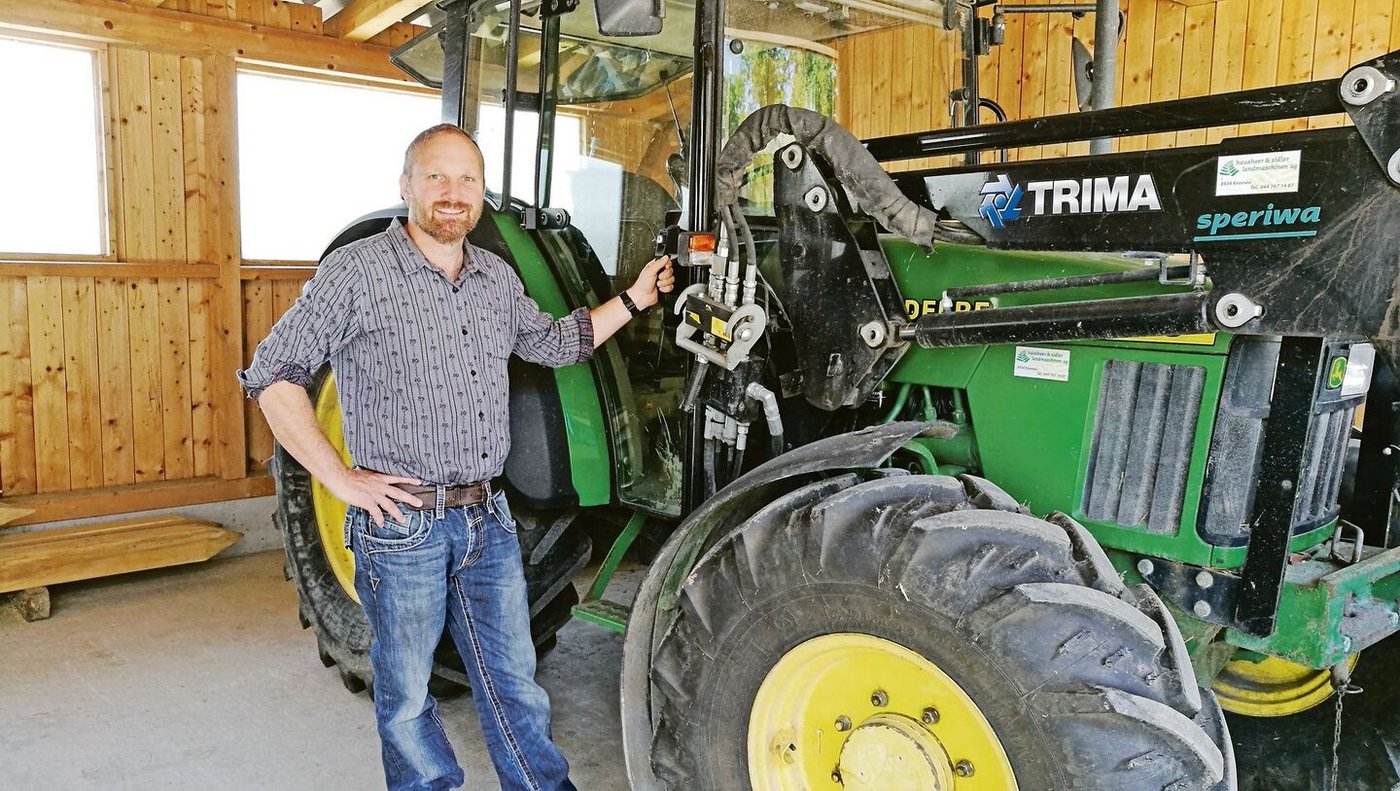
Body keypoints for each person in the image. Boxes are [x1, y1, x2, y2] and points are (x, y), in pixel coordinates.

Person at [237, 123, 674, 791]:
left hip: (487, 520)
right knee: (409, 697)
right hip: (402, 524)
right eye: (436, 177)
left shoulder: (494, 276)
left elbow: (555, 343)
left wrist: (635, 299)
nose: (453, 192)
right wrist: (338, 476)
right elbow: (273, 372)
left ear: (480, 196)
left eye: (467, 179)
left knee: (513, 684)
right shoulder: (358, 271)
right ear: (406, 186)